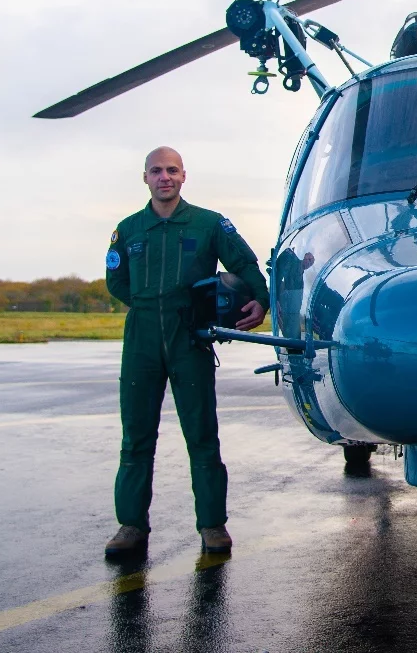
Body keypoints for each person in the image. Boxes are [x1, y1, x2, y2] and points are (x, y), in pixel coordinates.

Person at [102, 147, 269, 557]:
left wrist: (261, 301)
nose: (165, 177)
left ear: (183, 176)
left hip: (189, 337)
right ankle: (131, 525)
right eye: (157, 171)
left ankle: (212, 525)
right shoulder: (129, 229)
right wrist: (149, 303)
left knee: (201, 432)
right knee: (136, 435)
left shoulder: (209, 224)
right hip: (141, 337)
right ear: (145, 177)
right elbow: (116, 281)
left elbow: (246, 265)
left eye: (172, 170)